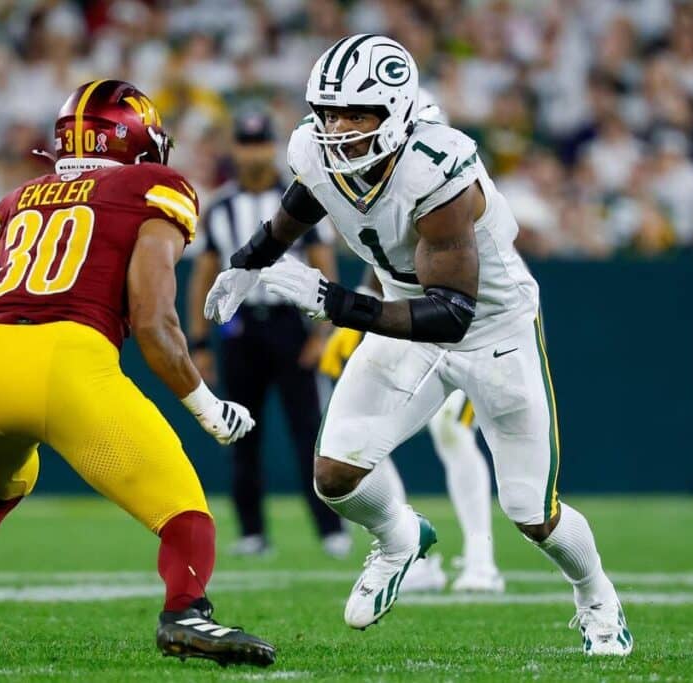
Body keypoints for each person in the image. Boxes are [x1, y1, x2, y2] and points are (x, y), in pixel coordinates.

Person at [205, 35, 632, 656]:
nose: (336, 128)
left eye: (356, 113)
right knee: (336, 475)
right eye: (328, 111)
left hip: (489, 329)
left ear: (396, 112)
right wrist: (248, 262)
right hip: (403, 308)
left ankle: (597, 598)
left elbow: (452, 314)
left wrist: (331, 303)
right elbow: (305, 198)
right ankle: (401, 536)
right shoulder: (315, 148)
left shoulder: (439, 171)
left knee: (531, 512)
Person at [0, 79, 275, 668]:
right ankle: (187, 614)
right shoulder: (154, 187)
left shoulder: (17, 199)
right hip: (69, 362)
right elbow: (153, 320)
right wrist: (206, 405)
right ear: (132, 140)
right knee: (185, 510)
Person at [318, 92, 504, 593]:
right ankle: (409, 547)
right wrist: (356, 308)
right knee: (364, 436)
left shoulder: (446, 181)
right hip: (408, 324)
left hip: (470, 325)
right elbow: (387, 260)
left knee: (452, 429)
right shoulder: (367, 176)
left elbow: (472, 275)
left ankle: (481, 558)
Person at [187, 109, 351, 559]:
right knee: (241, 434)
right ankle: (253, 532)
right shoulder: (220, 206)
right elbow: (203, 275)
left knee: (308, 433)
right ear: (235, 149)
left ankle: (330, 528)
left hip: (291, 327)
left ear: (271, 147)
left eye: (260, 143)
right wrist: (200, 341)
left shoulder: (299, 199)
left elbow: (324, 263)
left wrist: (323, 333)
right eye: (245, 143)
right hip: (240, 330)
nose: (253, 152)